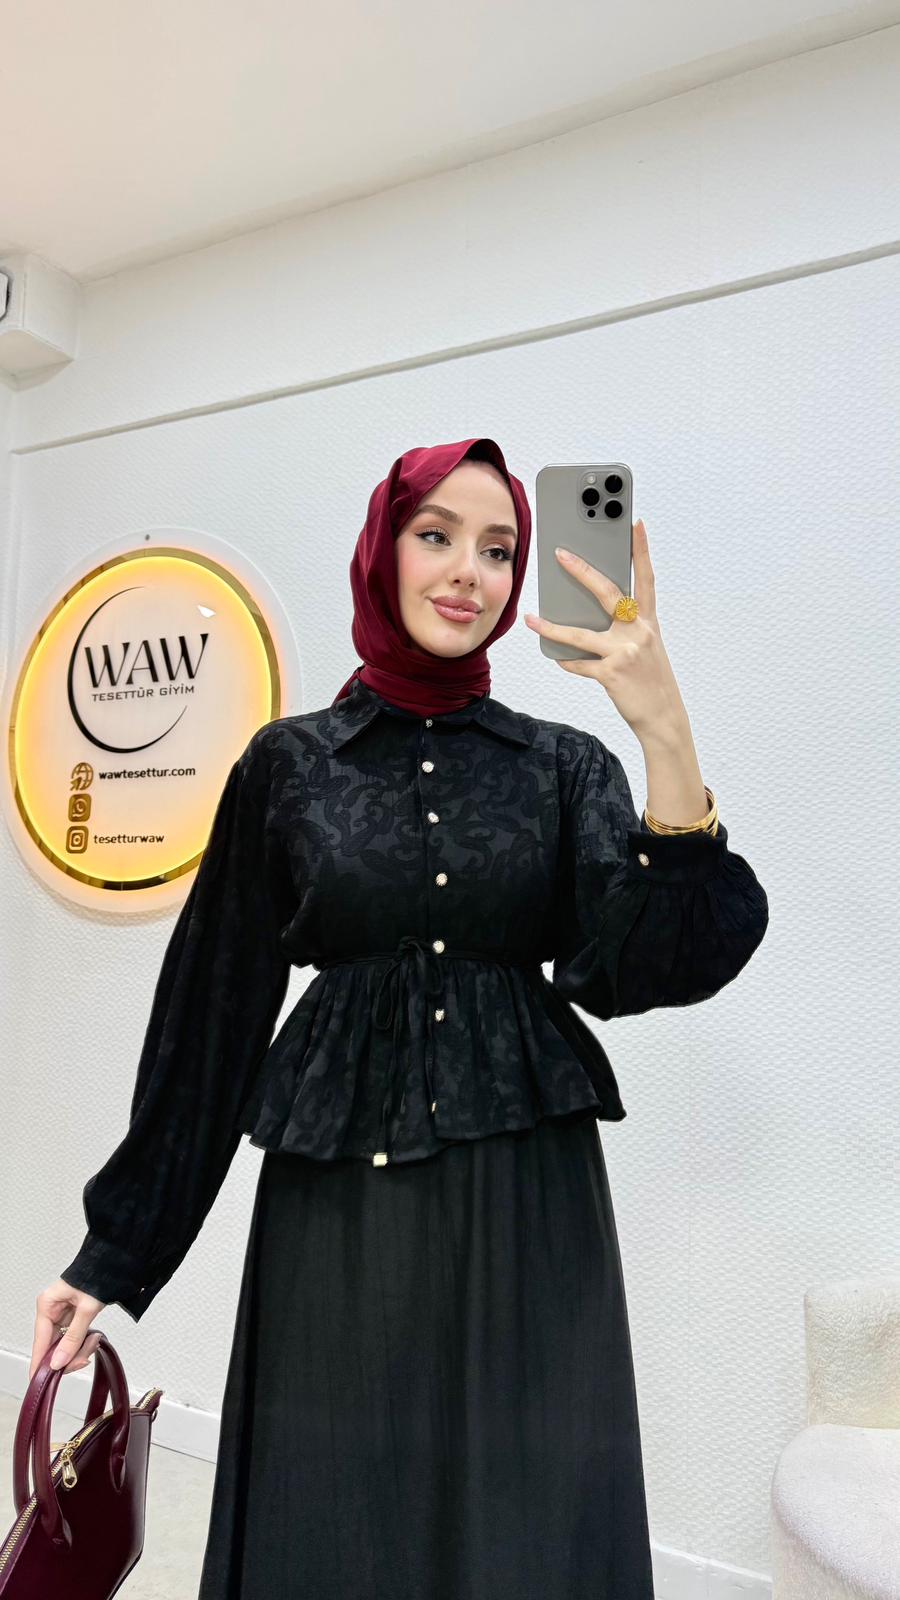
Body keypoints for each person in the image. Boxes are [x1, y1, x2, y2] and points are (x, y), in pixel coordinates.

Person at [32, 436, 769, 1598]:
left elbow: (646, 962)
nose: (469, 570)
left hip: (527, 1196)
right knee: (338, 1498)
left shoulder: (564, 766)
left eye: (500, 549)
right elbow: (212, 1016)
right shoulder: (288, 766)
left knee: (525, 1499)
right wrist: (112, 1254)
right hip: (342, 1197)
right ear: (384, 549)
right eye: (438, 536)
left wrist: (662, 727)